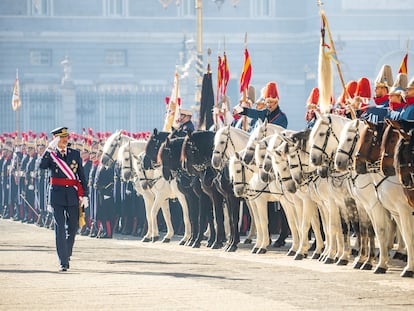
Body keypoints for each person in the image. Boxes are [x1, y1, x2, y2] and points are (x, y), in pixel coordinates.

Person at [39, 126, 89, 272]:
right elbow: (41, 166)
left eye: (66, 137)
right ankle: (63, 261)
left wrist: (85, 194)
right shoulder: (51, 155)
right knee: (60, 228)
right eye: (61, 138)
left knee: (73, 227)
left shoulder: (75, 153)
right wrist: (48, 150)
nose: (64, 140)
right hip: (57, 196)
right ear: (55, 140)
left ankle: (66, 253)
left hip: (73, 195)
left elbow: (81, 175)